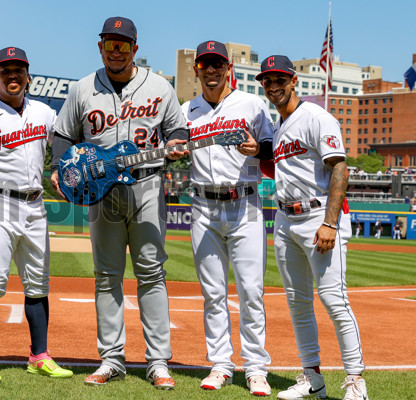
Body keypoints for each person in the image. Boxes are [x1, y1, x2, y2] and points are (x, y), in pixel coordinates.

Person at [50, 16, 189, 390]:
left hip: (147, 186)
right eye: (110, 44)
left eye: (123, 45)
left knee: (151, 273)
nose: (116, 51)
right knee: (107, 277)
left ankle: (158, 362)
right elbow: (63, 133)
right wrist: (57, 169)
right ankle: (111, 359)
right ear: (100, 47)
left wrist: (175, 144)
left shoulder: (159, 86)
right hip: (103, 192)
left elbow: (177, 128)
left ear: (134, 49)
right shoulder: (82, 89)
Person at [0, 46, 73, 383]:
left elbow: (65, 142)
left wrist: (58, 167)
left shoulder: (43, 112)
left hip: (35, 204)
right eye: (6, 70)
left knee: (38, 284)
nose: (12, 76)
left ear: (27, 76)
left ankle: (39, 355)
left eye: (18, 70)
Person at [257, 55, 367, 400]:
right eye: (267, 80)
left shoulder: (317, 117)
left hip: (319, 216)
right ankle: (312, 379)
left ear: (294, 82)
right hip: (286, 220)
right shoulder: (279, 127)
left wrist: (330, 223)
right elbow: (286, 172)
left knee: (334, 300)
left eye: (279, 79)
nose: (273, 86)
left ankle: (355, 382)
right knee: (298, 302)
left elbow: (339, 168)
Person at [180, 40, 273, 396]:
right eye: (206, 65)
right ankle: (221, 364)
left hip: (244, 204)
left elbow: (271, 147)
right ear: (197, 69)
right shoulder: (186, 109)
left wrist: (259, 149)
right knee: (213, 293)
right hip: (203, 206)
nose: (212, 70)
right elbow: (173, 148)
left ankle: (255, 367)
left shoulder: (251, 103)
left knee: (251, 291)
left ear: (228, 67)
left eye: (218, 64)